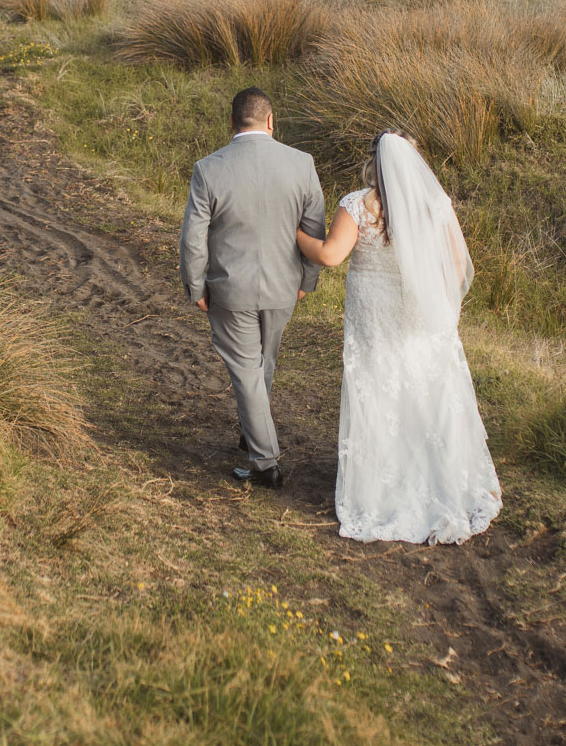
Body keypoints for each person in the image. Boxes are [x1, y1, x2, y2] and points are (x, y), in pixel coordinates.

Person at [296, 131, 501, 544]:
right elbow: (459, 270)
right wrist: (434, 306)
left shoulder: (357, 204)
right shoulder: (434, 205)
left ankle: (382, 491)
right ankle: (442, 480)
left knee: (377, 388)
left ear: (374, 161)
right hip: (417, 315)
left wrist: (294, 233)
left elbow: (331, 255)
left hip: (373, 316)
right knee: (424, 389)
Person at [179, 87, 327, 488]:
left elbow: (194, 237)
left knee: (247, 370)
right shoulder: (302, 164)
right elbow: (314, 229)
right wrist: (306, 281)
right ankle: (253, 427)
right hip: (284, 286)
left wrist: (196, 286)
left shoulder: (209, 169)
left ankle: (265, 464)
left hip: (231, 288)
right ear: (271, 120)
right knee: (263, 363)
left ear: (232, 122)